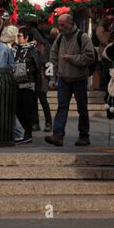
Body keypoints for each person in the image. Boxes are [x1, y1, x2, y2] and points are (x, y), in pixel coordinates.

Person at [45, 14, 95, 147]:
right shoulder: (60, 38)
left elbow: (90, 57)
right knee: (62, 107)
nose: (60, 28)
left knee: (82, 108)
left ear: (71, 23)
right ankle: (58, 135)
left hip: (79, 79)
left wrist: (72, 58)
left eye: (63, 25)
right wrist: (53, 77)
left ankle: (84, 136)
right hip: (64, 79)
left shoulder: (82, 37)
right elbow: (53, 57)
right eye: (59, 25)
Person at [14, 27, 41, 144]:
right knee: (18, 109)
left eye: (20, 36)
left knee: (26, 110)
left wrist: (38, 88)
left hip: (29, 85)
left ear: (26, 37)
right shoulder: (18, 50)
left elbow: (38, 70)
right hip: (17, 84)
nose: (18, 38)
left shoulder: (33, 51)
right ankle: (27, 131)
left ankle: (28, 133)